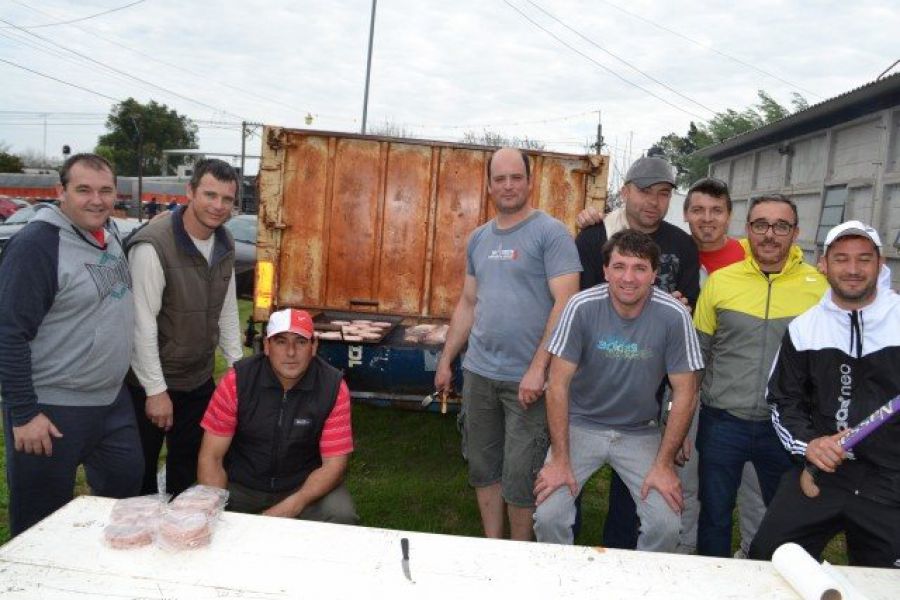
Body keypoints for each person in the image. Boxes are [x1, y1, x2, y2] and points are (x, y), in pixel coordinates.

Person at [434, 147, 581, 541]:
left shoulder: (552, 233)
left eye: (516, 177)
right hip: (479, 372)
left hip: (527, 383)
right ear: (488, 186)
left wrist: (538, 368)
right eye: (500, 179)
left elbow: (566, 302)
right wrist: (447, 358)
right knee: (483, 467)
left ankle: (519, 557)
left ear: (530, 182)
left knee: (521, 475)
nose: (508, 185)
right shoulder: (478, 238)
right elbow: (468, 302)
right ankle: (493, 546)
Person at [532, 229, 704, 550]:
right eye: (620, 266)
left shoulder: (674, 315)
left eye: (640, 268)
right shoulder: (581, 306)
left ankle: (640, 585)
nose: (629, 277)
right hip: (580, 425)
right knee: (549, 516)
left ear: (654, 274)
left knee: (666, 526)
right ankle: (557, 582)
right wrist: (559, 460)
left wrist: (664, 464)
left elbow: (686, 392)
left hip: (640, 430)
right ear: (606, 271)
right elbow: (557, 384)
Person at [0, 153, 142, 536]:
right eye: (83, 190)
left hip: (111, 403)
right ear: (60, 192)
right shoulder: (36, 246)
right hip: (53, 407)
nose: (96, 200)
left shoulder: (109, 236)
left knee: (125, 499)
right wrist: (24, 414)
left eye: (105, 190)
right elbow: (9, 334)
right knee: (39, 524)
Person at [749, 221, 900, 568]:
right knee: (767, 559)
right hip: (824, 473)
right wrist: (810, 446)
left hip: (891, 479)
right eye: (841, 259)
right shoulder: (805, 328)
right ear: (824, 264)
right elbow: (783, 401)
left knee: (885, 583)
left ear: (880, 264)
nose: (852, 270)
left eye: (863, 259)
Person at [574, 156, 700, 549]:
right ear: (625, 191)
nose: (653, 202)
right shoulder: (594, 236)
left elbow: (688, 304)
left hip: (652, 382)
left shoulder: (682, 244)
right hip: (593, 378)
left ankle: (622, 557)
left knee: (636, 489)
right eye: (645, 191)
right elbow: (580, 305)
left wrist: (679, 303)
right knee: (567, 487)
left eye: (663, 194)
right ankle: (566, 555)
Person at [694, 194, 827, 557]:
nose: (770, 234)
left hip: (784, 429)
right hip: (722, 421)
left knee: (784, 520)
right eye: (761, 225)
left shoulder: (819, 290)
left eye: (781, 226)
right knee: (715, 516)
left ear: (795, 232)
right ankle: (714, 581)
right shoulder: (720, 282)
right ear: (748, 230)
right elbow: (699, 355)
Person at [126, 158, 244, 497]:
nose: (218, 206)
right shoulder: (153, 246)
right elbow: (141, 324)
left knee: (189, 473)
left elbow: (226, 305)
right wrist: (155, 390)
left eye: (226, 199)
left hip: (198, 379)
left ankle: (183, 541)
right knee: (140, 476)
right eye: (210, 195)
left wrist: (236, 366)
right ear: (190, 192)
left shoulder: (225, 242)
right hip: (150, 383)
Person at [198, 308, 358, 523]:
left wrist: (293, 505)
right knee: (198, 515)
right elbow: (211, 457)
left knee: (341, 515)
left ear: (314, 346)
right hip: (241, 484)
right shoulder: (237, 381)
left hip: (302, 486)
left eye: (300, 342)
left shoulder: (333, 387)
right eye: (281, 342)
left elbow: (334, 466)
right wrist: (213, 507)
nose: (291, 352)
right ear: (266, 346)